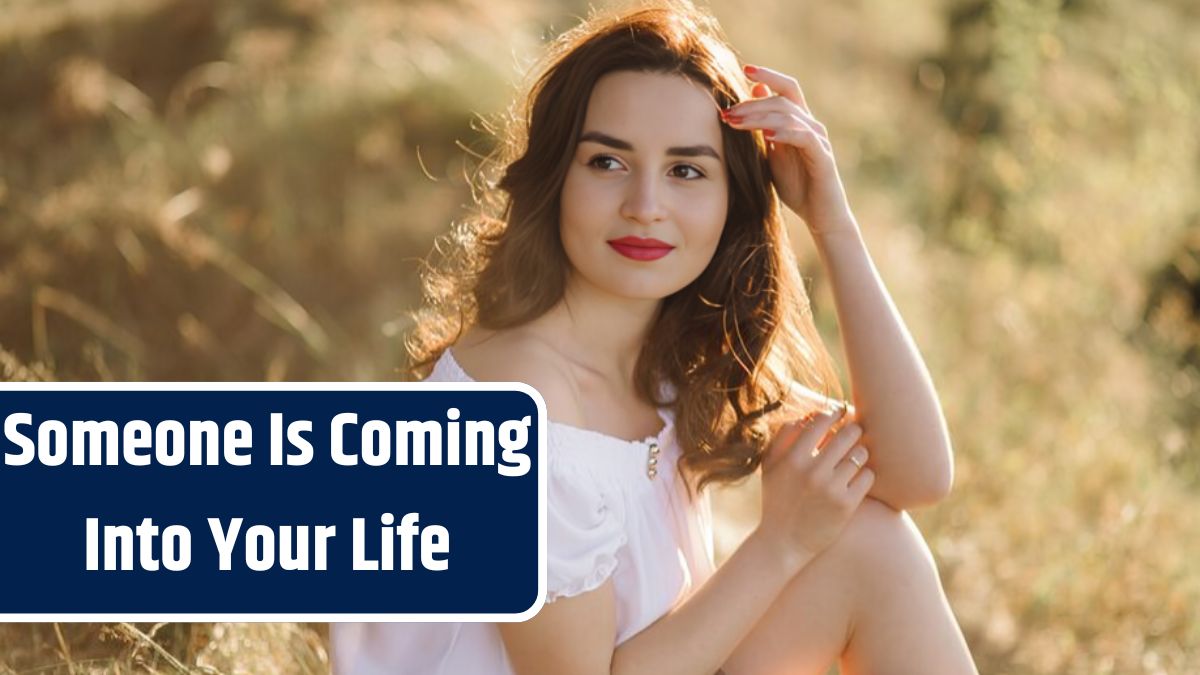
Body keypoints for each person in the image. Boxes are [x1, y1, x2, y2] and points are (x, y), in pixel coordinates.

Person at [332, 1, 978, 673]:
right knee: (857, 548)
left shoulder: (661, 351)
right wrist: (781, 543)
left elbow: (915, 475)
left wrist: (832, 223)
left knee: (872, 546)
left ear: (734, 200)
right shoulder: (521, 397)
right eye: (607, 163)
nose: (645, 204)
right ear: (555, 178)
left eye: (686, 170)